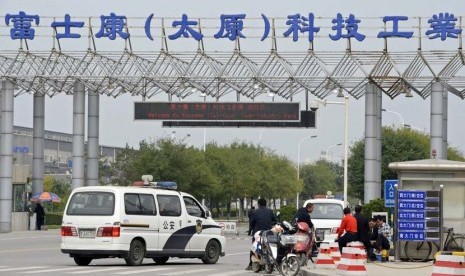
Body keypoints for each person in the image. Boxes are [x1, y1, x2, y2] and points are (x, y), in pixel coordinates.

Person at [245, 198, 277, 271]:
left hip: (257, 233)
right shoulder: (270, 211)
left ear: (259, 204)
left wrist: (251, 230)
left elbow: (252, 223)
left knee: (254, 248)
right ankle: (271, 263)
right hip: (267, 233)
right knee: (269, 248)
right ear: (265, 204)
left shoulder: (255, 212)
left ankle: (250, 265)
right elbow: (275, 221)